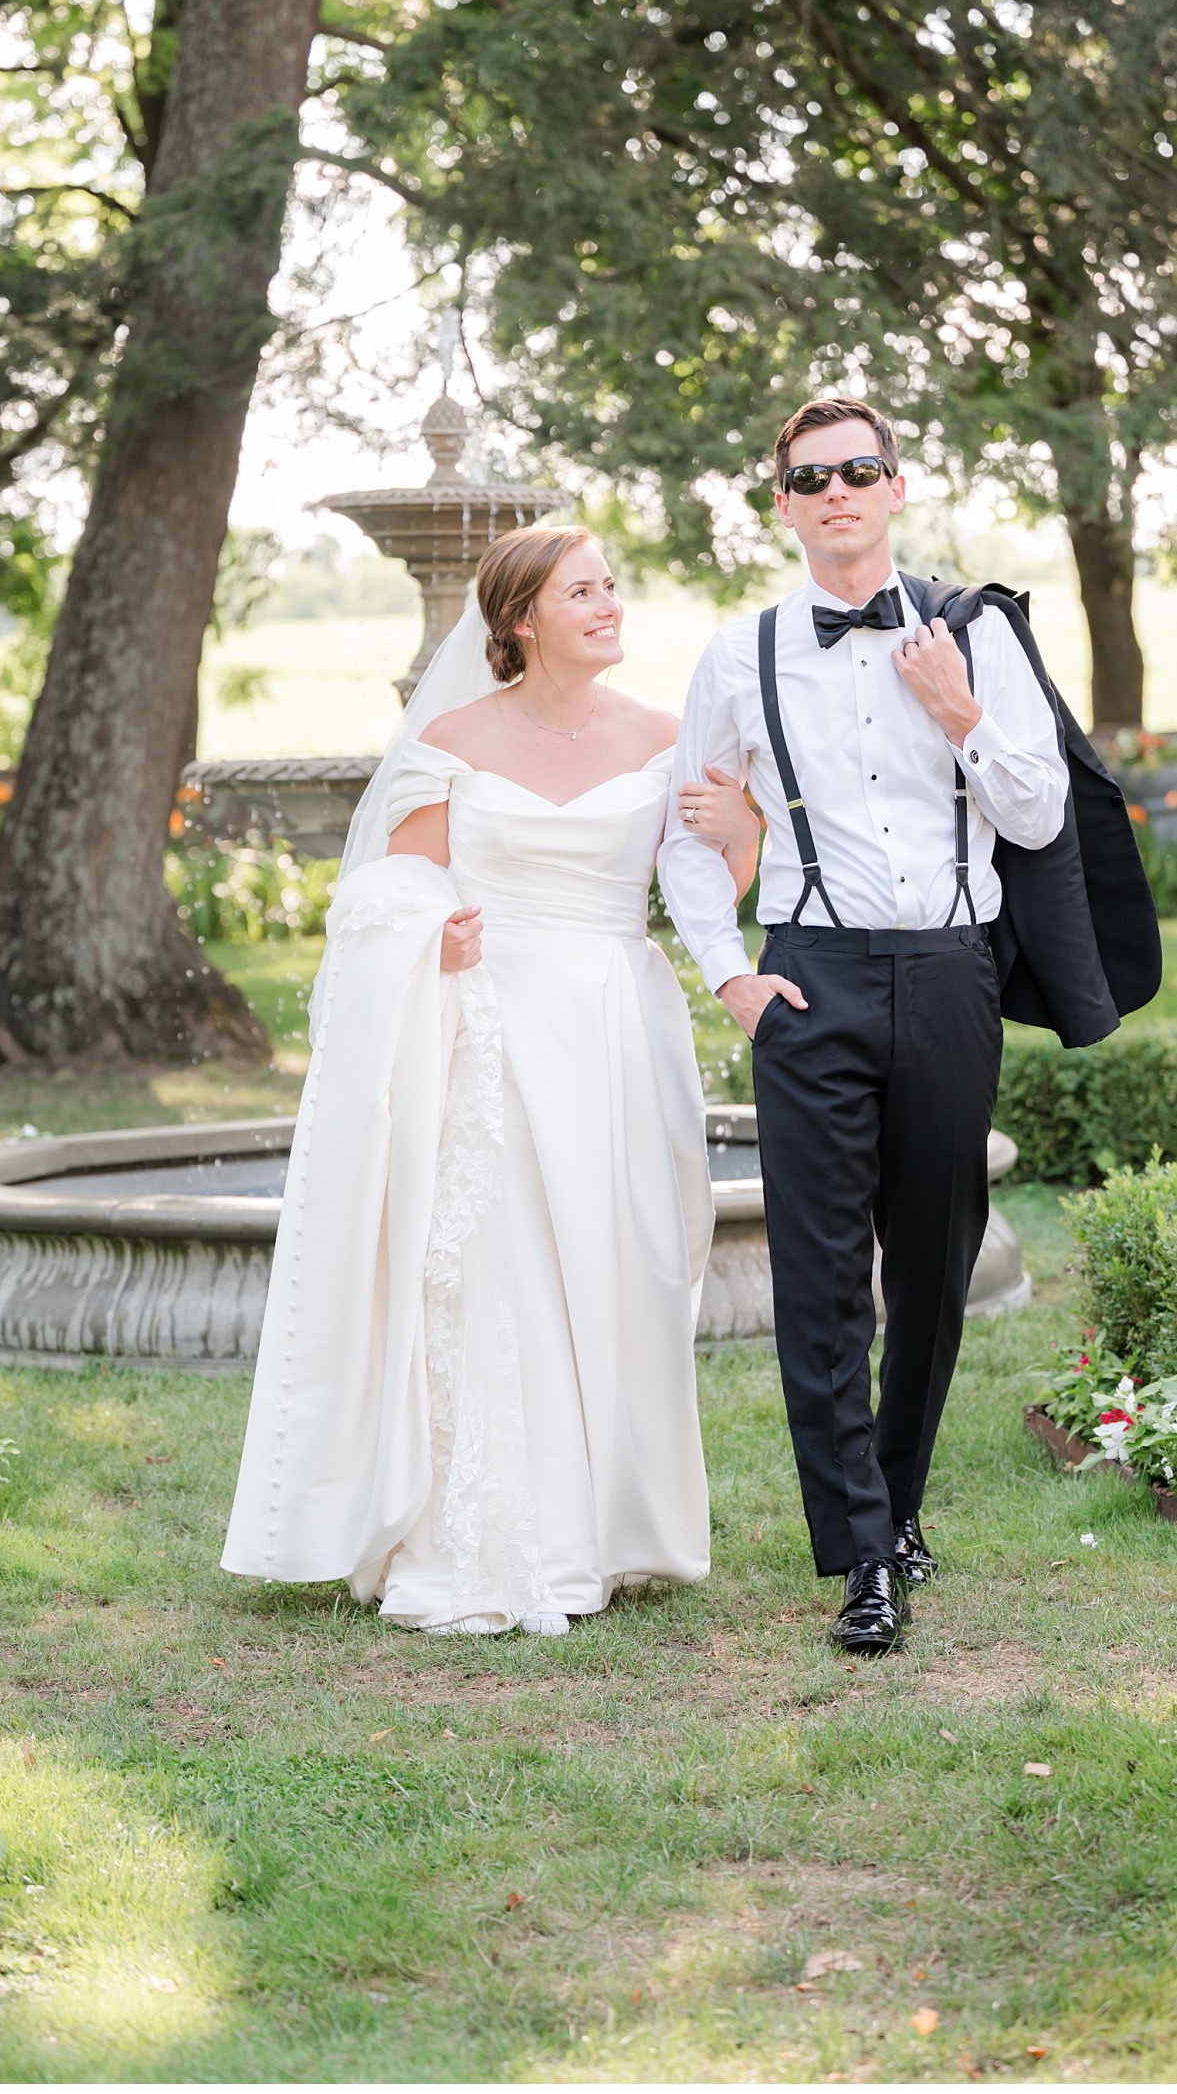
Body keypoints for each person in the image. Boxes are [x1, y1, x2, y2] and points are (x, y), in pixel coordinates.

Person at [223, 526, 760, 1635]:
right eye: (583, 591)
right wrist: (438, 944)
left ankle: (616, 1526)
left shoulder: (667, 738)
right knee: (507, 1266)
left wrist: (741, 827)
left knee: (626, 1258)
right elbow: (392, 890)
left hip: (617, 1019)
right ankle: (506, 1530)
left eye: (611, 585)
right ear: (519, 621)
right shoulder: (452, 739)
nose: (610, 604)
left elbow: (713, 884)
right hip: (494, 1023)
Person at [662, 398, 1070, 1655]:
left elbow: (1041, 813)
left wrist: (958, 709)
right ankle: (858, 1554)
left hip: (950, 972)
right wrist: (729, 972)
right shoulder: (738, 657)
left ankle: (892, 1506)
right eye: (809, 477)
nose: (836, 490)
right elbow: (687, 828)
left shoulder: (975, 634)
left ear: (896, 487)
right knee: (823, 1276)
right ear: (781, 504)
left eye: (860, 470)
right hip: (809, 981)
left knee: (935, 1269)